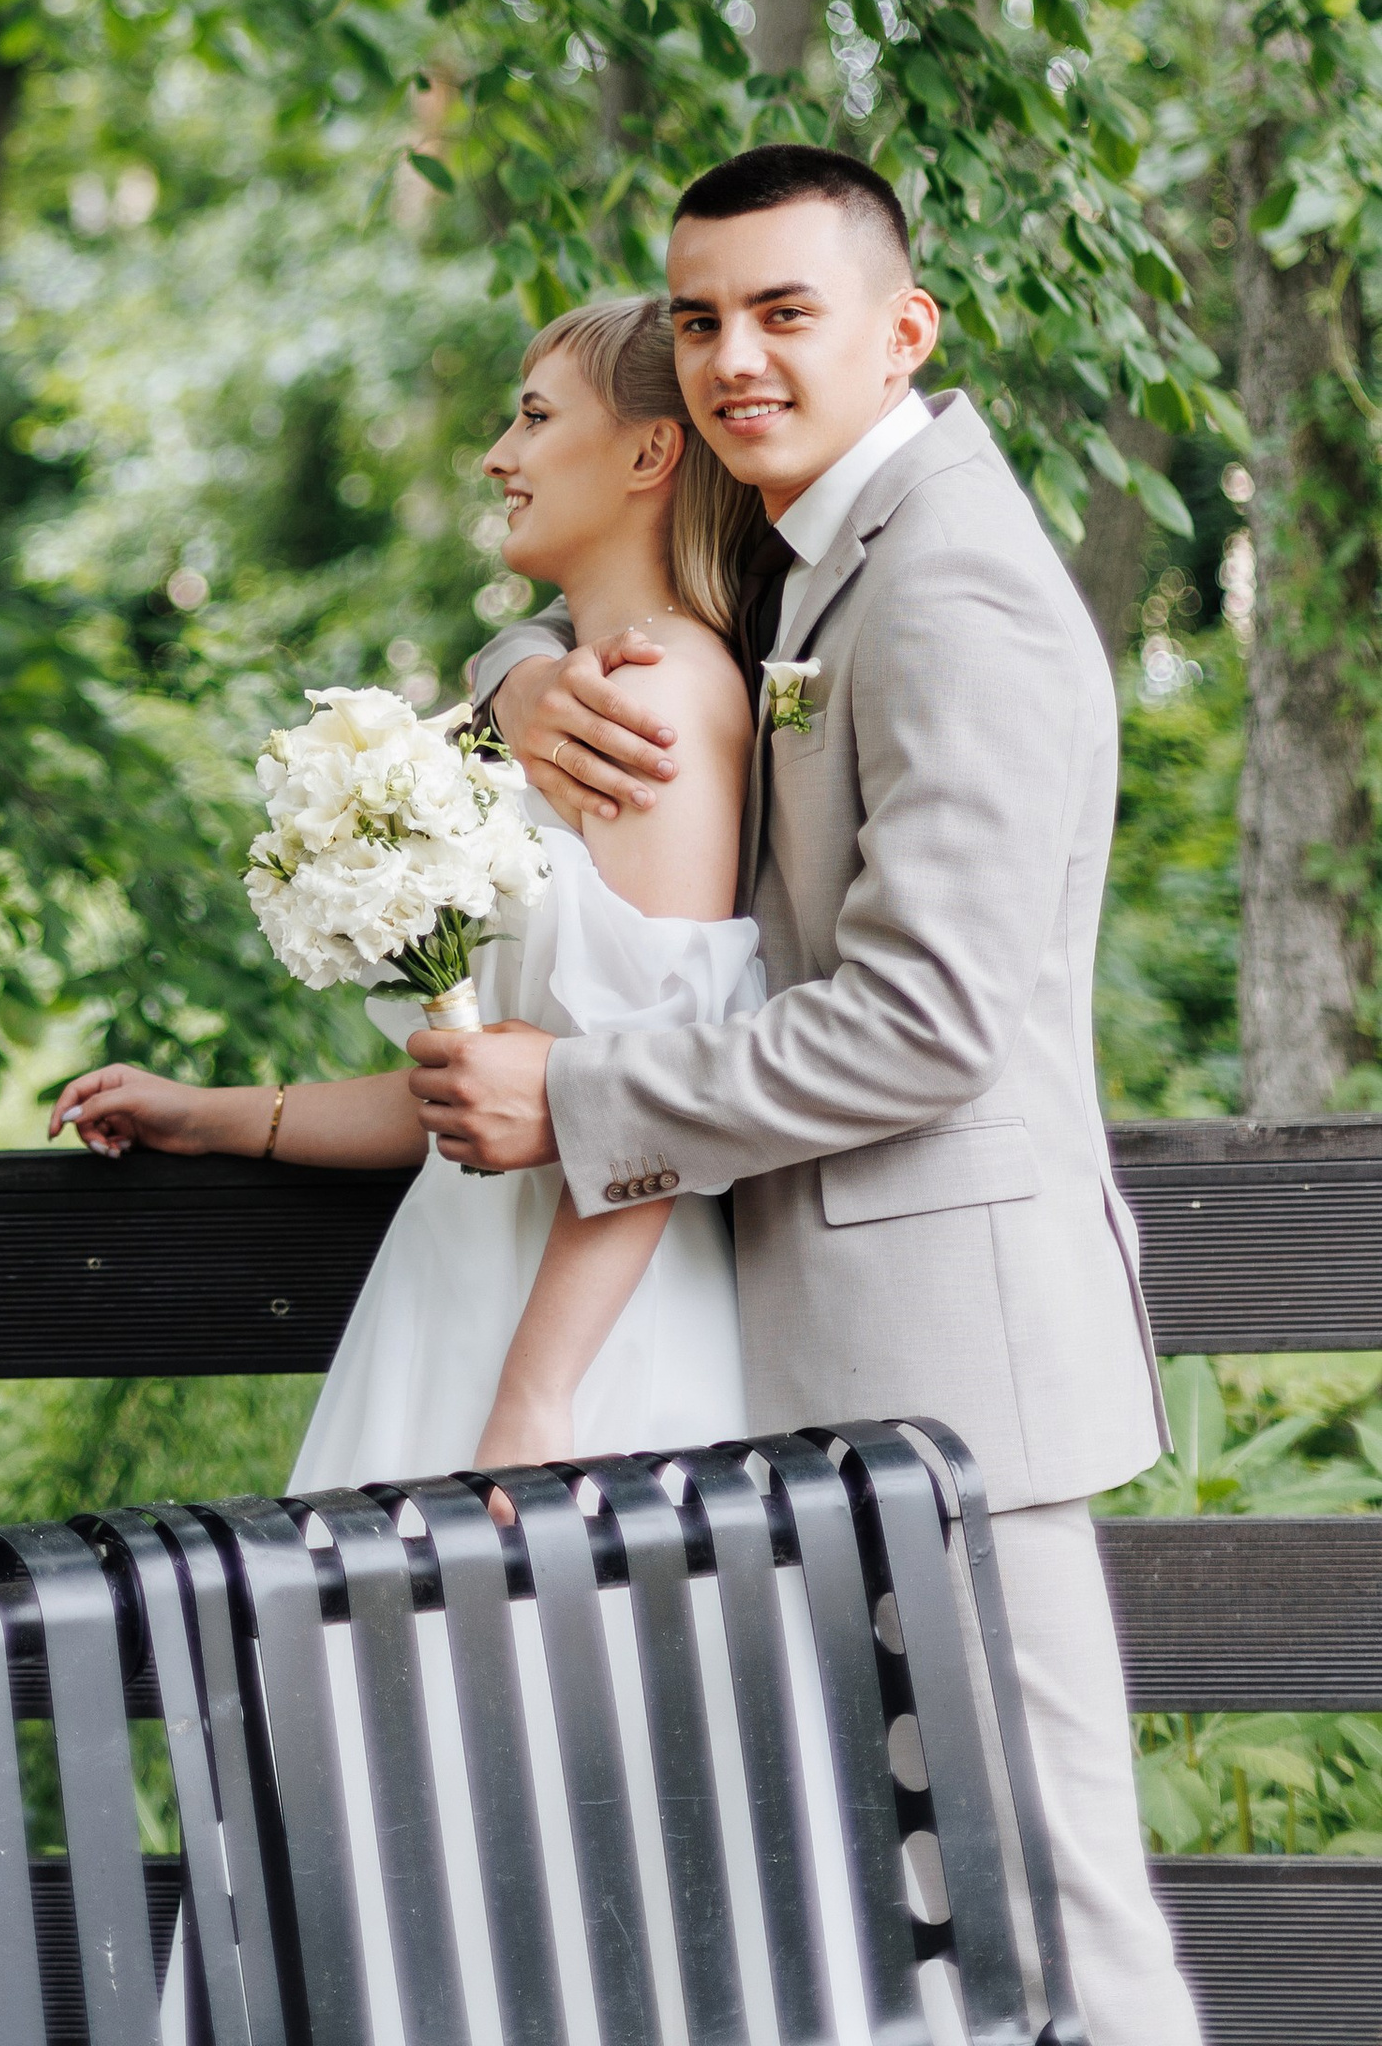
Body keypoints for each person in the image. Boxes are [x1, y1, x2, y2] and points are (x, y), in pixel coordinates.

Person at [438, 142, 1196, 2046]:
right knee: (922, 1936)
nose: (733, 360)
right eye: (701, 321)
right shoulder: (817, 542)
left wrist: (582, 1093)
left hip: (952, 1374)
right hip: (832, 1366)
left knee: (1060, 1921)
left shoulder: (954, 585)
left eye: (785, 313)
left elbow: (928, 1023)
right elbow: (603, 598)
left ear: (903, 328)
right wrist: (517, 676)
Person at [47, 293, 767, 1478]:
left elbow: (650, 1101)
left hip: (582, 1344)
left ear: (650, 453)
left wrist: (535, 1403)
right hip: (459, 1283)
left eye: (534, 418)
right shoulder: (564, 696)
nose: (498, 457)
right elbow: (485, 1094)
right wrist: (211, 1115)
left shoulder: (660, 701)